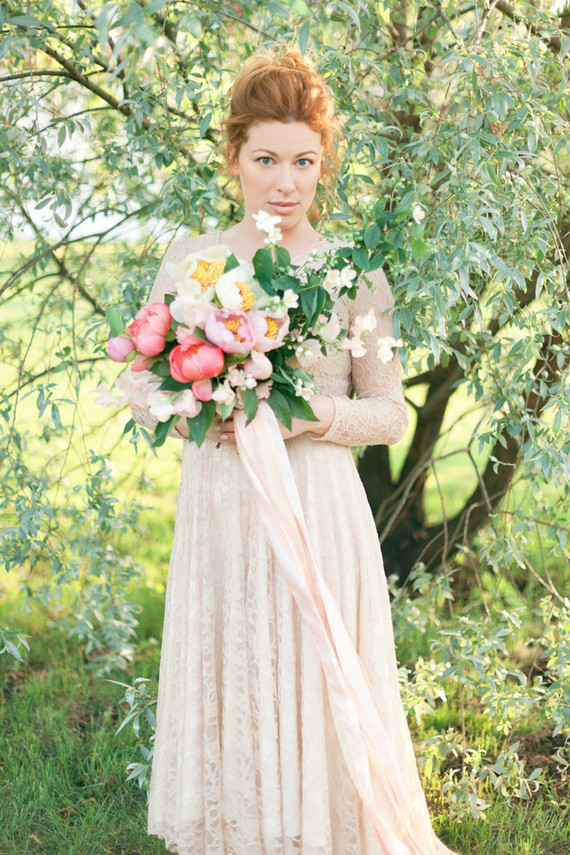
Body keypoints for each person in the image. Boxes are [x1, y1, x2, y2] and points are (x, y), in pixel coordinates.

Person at [129, 51, 457, 855]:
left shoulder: (355, 272)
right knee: (234, 655)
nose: (286, 181)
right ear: (233, 156)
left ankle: (323, 829)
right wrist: (190, 405)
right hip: (223, 499)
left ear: (324, 162)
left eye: (304, 162)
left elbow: (385, 411)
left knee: (314, 665)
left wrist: (311, 414)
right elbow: (145, 383)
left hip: (317, 500)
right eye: (267, 159)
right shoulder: (194, 259)